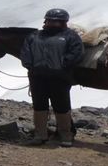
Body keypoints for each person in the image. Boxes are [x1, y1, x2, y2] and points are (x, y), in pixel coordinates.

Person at [20, 8, 84, 147]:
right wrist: (31, 66)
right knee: (39, 106)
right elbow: (26, 53)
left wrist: (62, 65)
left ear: (63, 22)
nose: (52, 23)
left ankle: (65, 136)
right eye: (50, 20)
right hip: (37, 77)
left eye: (56, 21)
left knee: (61, 106)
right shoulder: (34, 36)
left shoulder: (71, 36)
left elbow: (76, 53)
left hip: (59, 77)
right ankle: (40, 135)